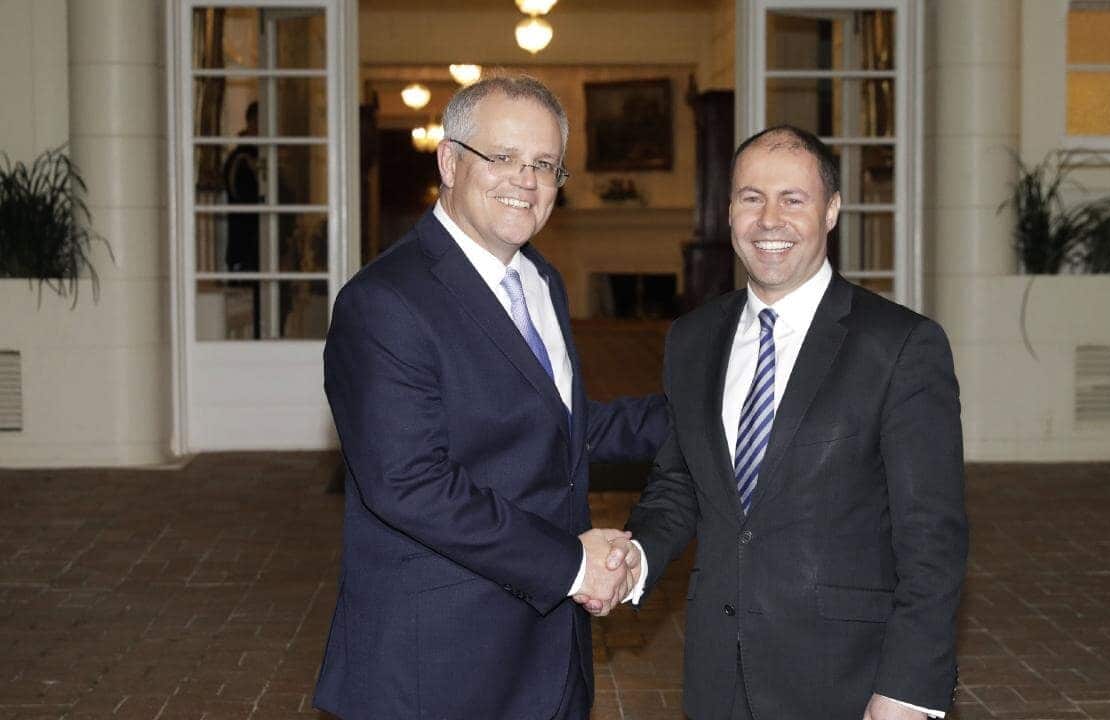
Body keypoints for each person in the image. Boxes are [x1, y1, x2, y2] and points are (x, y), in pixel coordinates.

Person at [314, 75, 667, 720]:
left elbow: (560, 431)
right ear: (449, 161)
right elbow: (409, 484)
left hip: (548, 652)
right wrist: (571, 566)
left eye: (543, 165)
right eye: (502, 158)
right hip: (440, 663)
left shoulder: (539, 281)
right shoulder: (384, 302)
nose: (525, 181)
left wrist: (711, 412)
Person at [610, 126, 968, 719]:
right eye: (751, 198)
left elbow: (933, 536)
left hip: (845, 677)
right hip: (718, 673)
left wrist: (908, 688)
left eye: (792, 199)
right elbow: (681, 482)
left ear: (830, 211)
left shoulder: (901, 345)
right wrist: (638, 559)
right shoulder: (693, 338)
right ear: (729, 212)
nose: (768, 219)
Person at [223, 101, 261, 338]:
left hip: (262, 252)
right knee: (244, 317)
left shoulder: (264, 156)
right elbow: (243, 199)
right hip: (245, 249)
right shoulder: (241, 159)